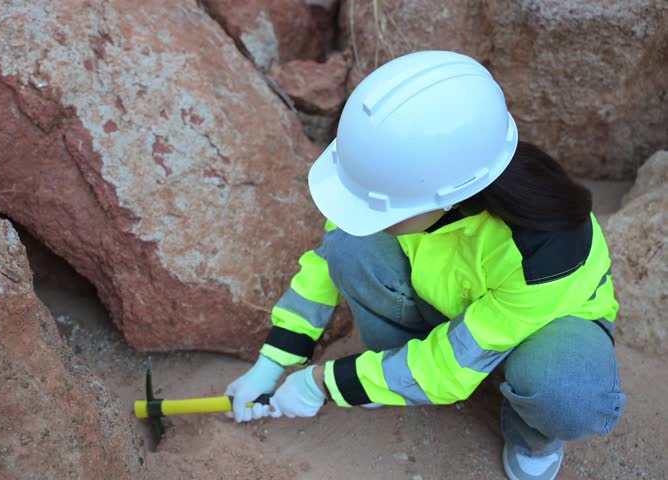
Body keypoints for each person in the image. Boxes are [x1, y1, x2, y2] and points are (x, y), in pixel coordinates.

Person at [225, 50, 625, 480]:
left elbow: (449, 365)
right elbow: (326, 265)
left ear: (448, 195)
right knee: (347, 245)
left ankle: (533, 438)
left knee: (568, 394)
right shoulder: (409, 171)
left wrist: (324, 382)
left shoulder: (547, 251)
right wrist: (272, 362)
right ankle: (390, 371)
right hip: (452, 298)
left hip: (545, 330)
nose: (367, 213)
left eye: (380, 208)